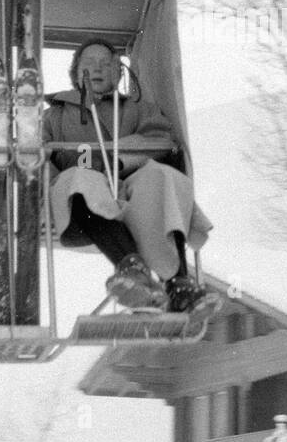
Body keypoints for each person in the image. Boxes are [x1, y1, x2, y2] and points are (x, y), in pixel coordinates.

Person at [43, 37, 212, 313]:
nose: (97, 69)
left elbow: (159, 139)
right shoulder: (54, 116)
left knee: (163, 177)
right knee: (83, 179)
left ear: (119, 72)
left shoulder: (138, 110)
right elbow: (38, 156)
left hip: (127, 185)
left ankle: (179, 284)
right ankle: (132, 268)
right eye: (89, 63)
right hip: (81, 201)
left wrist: (118, 161)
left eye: (106, 63)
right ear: (75, 73)